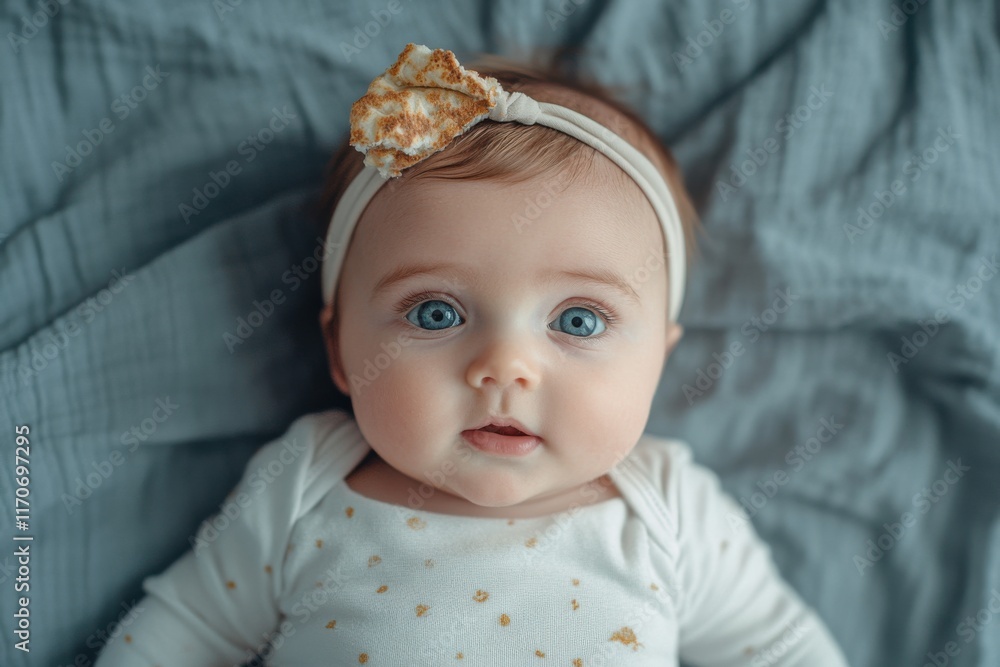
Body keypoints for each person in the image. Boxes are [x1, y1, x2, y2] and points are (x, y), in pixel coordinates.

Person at [96, 43, 849, 666]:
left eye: (580, 320)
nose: (505, 366)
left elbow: (782, 649)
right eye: (436, 312)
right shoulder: (307, 487)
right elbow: (180, 637)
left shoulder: (668, 508)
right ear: (339, 347)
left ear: (658, 357)